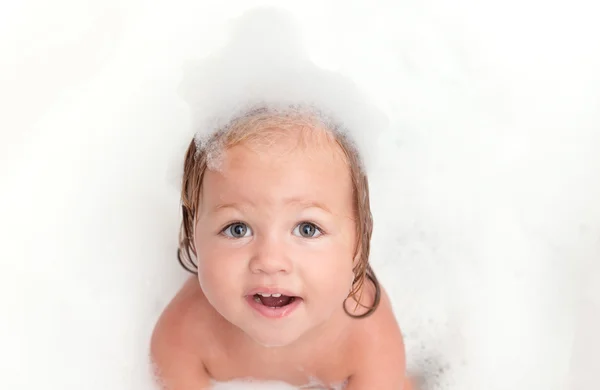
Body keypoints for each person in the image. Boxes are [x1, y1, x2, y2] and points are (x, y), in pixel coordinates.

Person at [150, 106, 413, 389]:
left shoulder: (366, 334)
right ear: (194, 238)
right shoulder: (184, 336)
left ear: (359, 246)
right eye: (237, 229)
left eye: (307, 229)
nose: (270, 261)